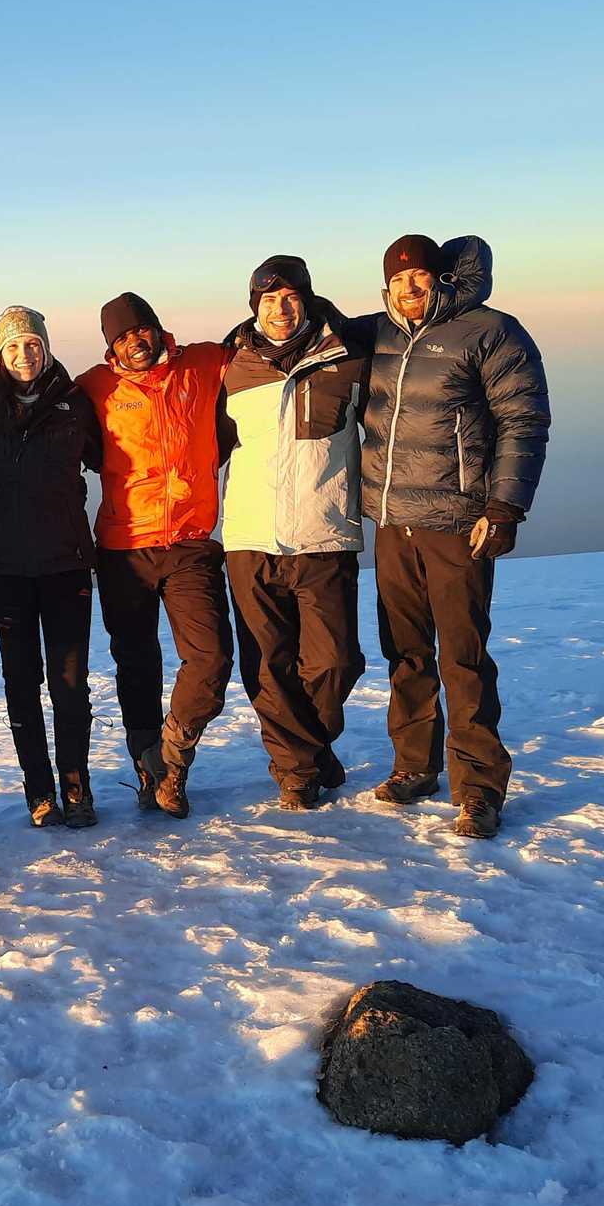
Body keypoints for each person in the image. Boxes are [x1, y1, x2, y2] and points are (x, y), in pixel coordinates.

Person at [344, 235, 550, 838]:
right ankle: (414, 766)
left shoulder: (489, 331)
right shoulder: (377, 333)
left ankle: (480, 787)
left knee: (462, 655)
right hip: (391, 520)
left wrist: (506, 505)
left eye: (421, 277)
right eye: (398, 281)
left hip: (458, 523)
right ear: (385, 288)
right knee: (404, 652)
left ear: (441, 279)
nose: (410, 289)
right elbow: (309, 333)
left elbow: (524, 418)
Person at [218, 256, 369, 810]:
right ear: (253, 306)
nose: (279, 309)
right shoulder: (231, 365)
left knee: (335, 661)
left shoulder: (349, 355)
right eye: (267, 300)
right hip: (250, 536)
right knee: (267, 665)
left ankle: (308, 748)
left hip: (324, 532)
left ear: (306, 299)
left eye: (289, 298)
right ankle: (297, 772)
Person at [77, 293, 234, 819]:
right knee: (137, 662)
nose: (134, 342)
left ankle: (173, 755)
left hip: (190, 540)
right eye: (121, 337)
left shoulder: (205, 363)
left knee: (209, 657)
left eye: (141, 330)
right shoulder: (94, 388)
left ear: (158, 329)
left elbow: (265, 345)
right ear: (109, 347)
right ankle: (151, 775)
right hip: (124, 548)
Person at [0, 306, 103, 827]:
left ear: (47, 347)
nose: (25, 354)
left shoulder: (74, 401)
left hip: (66, 560)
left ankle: (76, 789)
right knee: (21, 681)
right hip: (6, 565)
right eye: (13, 346)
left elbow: (112, 454)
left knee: (70, 682)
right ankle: (39, 792)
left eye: (33, 344)